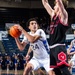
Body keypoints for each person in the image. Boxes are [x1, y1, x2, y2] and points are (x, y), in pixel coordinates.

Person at [42, 0, 72, 75]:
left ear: (59, 5)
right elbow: (45, 4)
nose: (54, 7)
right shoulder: (53, 16)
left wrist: (59, 2)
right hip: (52, 47)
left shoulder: (64, 15)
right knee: (56, 70)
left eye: (55, 5)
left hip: (59, 46)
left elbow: (60, 4)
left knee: (63, 67)